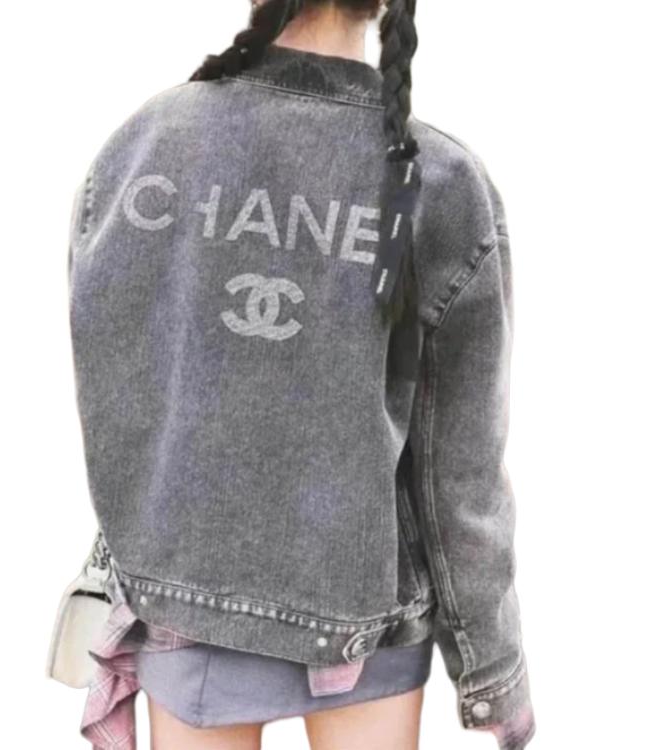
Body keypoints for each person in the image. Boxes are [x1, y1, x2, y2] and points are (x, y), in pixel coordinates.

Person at [66, 1, 536, 749]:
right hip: (368, 617)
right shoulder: (442, 181)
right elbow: (461, 475)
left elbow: (118, 402)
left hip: (185, 603)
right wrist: (493, 668)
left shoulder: (146, 144)